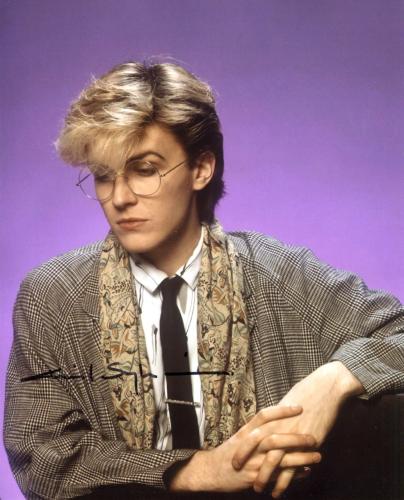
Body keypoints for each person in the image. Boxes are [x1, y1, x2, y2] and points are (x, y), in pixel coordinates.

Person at [4, 61, 404, 500]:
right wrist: (195, 471)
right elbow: (42, 458)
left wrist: (332, 382)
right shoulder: (53, 297)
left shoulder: (280, 275)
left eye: (144, 169)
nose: (119, 197)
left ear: (201, 169)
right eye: (103, 175)